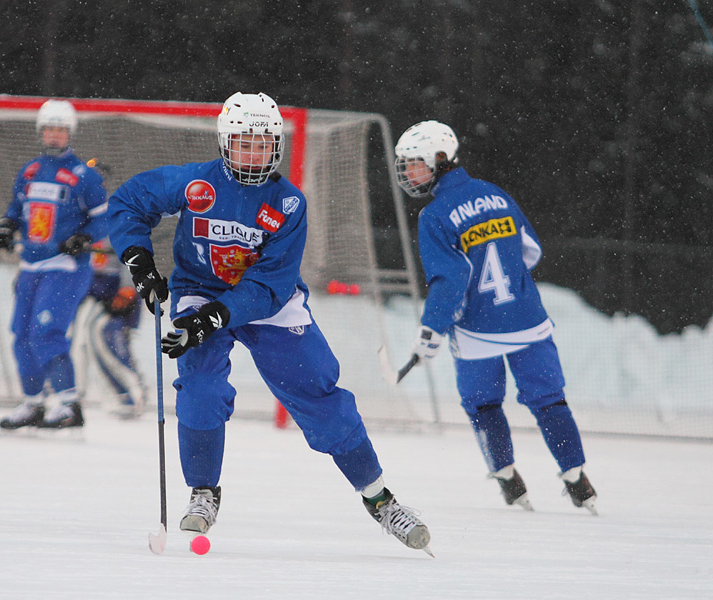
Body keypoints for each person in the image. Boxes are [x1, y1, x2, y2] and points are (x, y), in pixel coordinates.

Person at [107, 92, 432, 554]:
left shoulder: (289, 204)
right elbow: (129, 201)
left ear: (277, 147)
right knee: (200, 388)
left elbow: (270, 284)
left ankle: (380, 499)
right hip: (200, 291)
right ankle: (203, 491)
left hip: (267, 303)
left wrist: (215, 318)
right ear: (224, 143)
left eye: (264, 144)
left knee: (318, 393)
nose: (254, 154)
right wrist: (139, 261)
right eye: (244, 143)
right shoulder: (195, 183)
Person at [393, 120, 597, 514]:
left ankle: (507, 478)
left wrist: (432, 329)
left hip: (476, 332)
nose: (409, 173)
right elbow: (531, 250)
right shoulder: (495, 193)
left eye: (414, 164)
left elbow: (451, 279)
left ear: (440, 159)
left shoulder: (434, 216)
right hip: (528, 319)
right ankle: (577, 479)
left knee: (483, 405)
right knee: (549, 401)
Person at [0, 99, 109, 431]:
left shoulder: (84, 175)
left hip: (65, 267)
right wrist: (5, 226)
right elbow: (17, 209)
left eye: (60, 129)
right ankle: (33, 403)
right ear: (41, 132)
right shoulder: (30, 171)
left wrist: (83, 239)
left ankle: (69, 404)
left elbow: (104, 219)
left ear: (69, 132)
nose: (54, 136)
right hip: (30, 265)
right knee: (21, 336)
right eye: (49, 129)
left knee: (46, 333)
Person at [72, 240, 148, 419]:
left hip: (114, 291)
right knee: (80, 341)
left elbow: (133, 246)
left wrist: (128, 286)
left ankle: (129, 393)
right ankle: (73, 396)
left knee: (103, 336)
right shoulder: (85, 219)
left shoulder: (119, 216)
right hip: (91, 290)